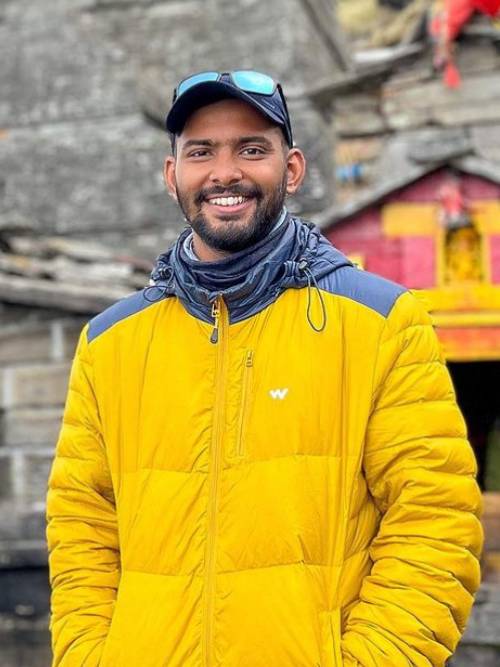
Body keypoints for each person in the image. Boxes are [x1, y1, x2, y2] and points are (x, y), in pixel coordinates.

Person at [46, 70, 483, 667]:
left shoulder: (381, 322)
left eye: (251, 149)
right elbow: (82, 529)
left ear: (293, 169)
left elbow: (435, 521)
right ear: (172, 175)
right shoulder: (110, 343)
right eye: (201, 152)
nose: (224, 172)